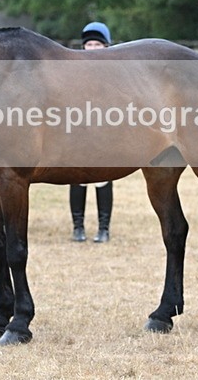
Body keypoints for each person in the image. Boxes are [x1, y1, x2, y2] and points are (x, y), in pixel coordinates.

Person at [70, 22, 114, 243]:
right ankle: (78, 226)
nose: (93, 49)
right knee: (77, 178)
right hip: (79, 132)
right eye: (89, 44)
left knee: (103, 179)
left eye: (98, 44)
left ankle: (103, 228)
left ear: (106, 47)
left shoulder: (114, 74)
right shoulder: (74, 72)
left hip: (104, 132)